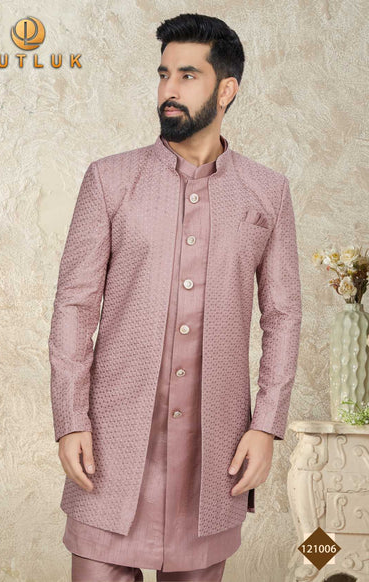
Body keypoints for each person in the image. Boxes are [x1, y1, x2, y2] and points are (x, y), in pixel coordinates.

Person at [48, 12, 302, 582]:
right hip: (110, 448)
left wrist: (266, 426)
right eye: (164, 74)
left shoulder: (267, 192)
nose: (169, 89)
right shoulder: (110, 180)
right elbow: (74, 308)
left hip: (212, 457)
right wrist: (70, 419)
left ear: (226, 90)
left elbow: (283, 316)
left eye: (188, 75)